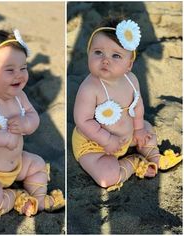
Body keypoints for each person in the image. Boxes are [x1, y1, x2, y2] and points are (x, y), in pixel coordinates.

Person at [0, 29, 65, 218]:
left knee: (37, 164)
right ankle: (15, 197)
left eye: (23, 68)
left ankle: (38, 198)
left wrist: (27, 123)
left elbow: (33, 117)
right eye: (9, 70)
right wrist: (2, 137)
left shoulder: (19, 96)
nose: (19, 75)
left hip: (15, 165)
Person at [72, 18, 182, 191]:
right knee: (106, 177)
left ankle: (154, 156)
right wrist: (106, 139)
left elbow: (137, 107)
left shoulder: (131, 80)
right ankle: (133, 163)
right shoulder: (89, 88)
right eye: (98, 52)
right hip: (94, 144)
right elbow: (83, 121)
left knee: (147, 129)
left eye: (116, 55)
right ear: (89, 53)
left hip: (127, 136)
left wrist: (138, 129)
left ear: (129, 64)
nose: (105, 60)